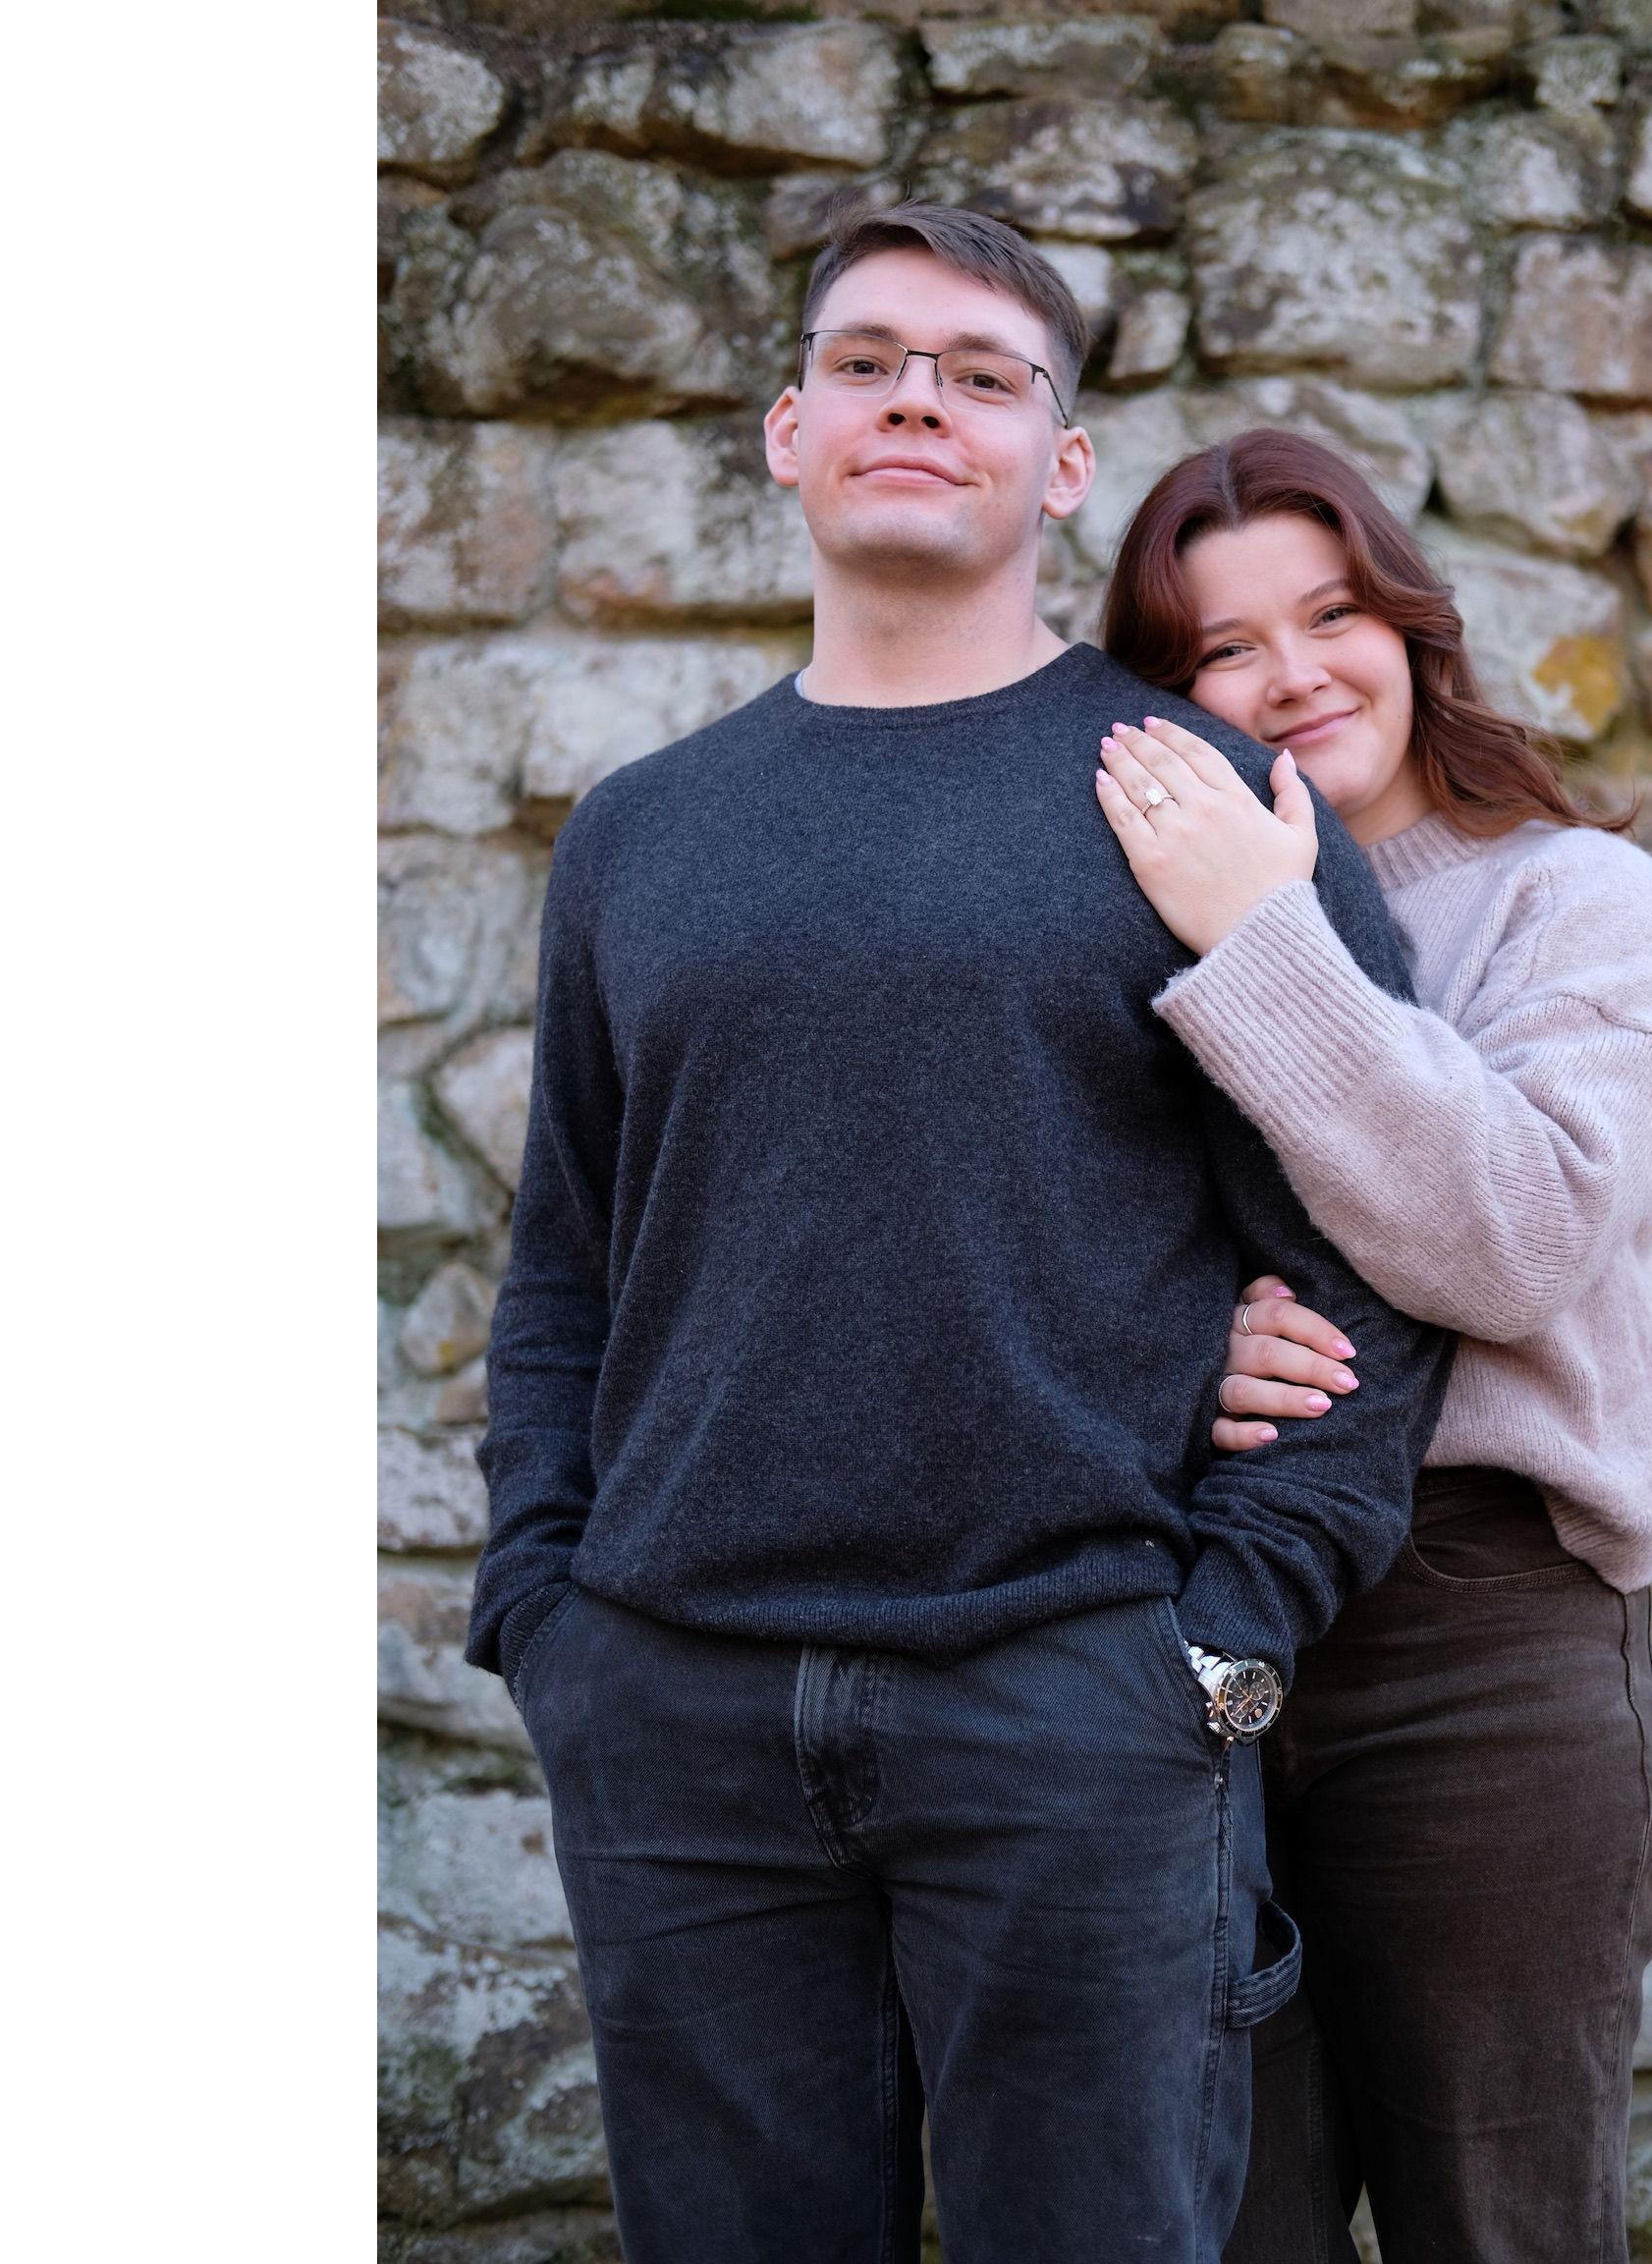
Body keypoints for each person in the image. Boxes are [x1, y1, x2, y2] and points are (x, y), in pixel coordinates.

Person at [463, 208, 1455, 2264]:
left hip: (1075, 1707)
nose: (917, 400)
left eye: (982, 375)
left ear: (1059, 463)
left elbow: (1375, 1241)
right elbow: (567, 1257)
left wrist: (1219, 1646)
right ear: (787, 431)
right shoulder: (641, 830)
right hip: (677, 1715)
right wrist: (548, 1618)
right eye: (868, 361)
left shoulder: (1198, 800)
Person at [1088, 428, 1652, 2264]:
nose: (1290, 674)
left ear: (1409, 623)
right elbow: (1063, 1249)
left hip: (1483, 1644)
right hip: (1186, 1623)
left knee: (1496, 2225)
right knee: (1220, 2221)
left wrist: (1262, 935)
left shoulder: (1571, 901)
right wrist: (1183, 1346)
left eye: (1330, 613)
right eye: (1223, 647)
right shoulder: (1108, 931)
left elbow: (1515, 1236)